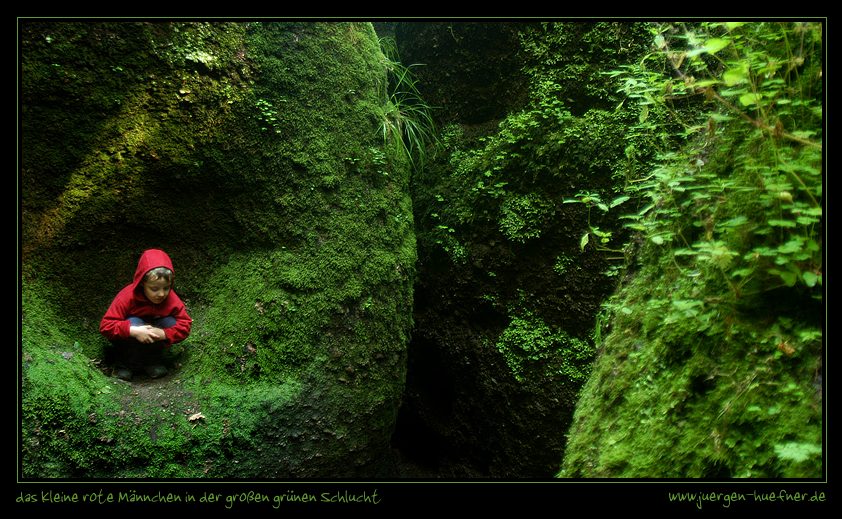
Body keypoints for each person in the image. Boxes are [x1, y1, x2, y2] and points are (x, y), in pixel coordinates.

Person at [100, 249, 192, 381]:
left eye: (166, 288)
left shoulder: (171, 299)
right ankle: (126, 365)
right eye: (154, 289)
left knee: (171, 322)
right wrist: (133, 331)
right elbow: (106, 326)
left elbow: (185, 324)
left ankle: (152, 361)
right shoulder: (127, 296)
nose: (161, 294)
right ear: (143, 283)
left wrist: (164, 334)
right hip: (130, 339)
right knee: (134, 321)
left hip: (155, 337)